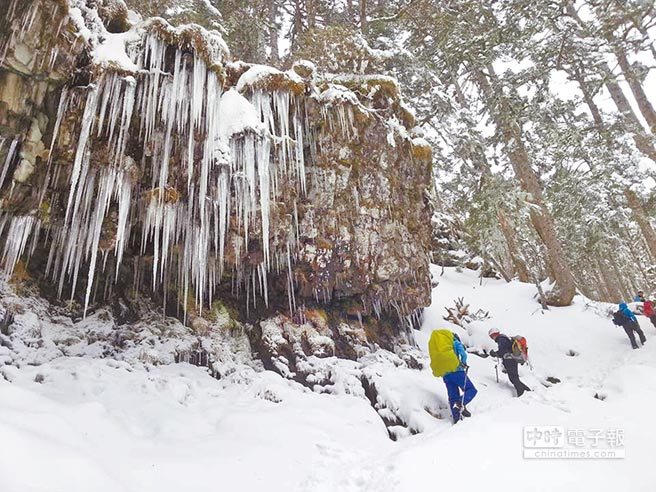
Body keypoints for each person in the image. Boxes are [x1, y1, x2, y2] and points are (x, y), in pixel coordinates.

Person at [428, 330, 477, 423]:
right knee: (471, 389)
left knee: (452, 396)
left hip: (445, 375)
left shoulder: (438, 346)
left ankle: (457, 418)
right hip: (457, 371)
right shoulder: (455, 341)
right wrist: (463, 363)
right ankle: (460, 403)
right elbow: (463, 353)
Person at [488, 328, 531, 397]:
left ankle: (521, 393)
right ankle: (527, 391)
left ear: (494, 334)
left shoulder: (501, 339)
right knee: (514, 378)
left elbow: (503, 352)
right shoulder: (504, 338)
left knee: (513, 378)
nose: (492, 338)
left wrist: (495, 353)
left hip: (509, 360)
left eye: (491, 336)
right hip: (512, 360)